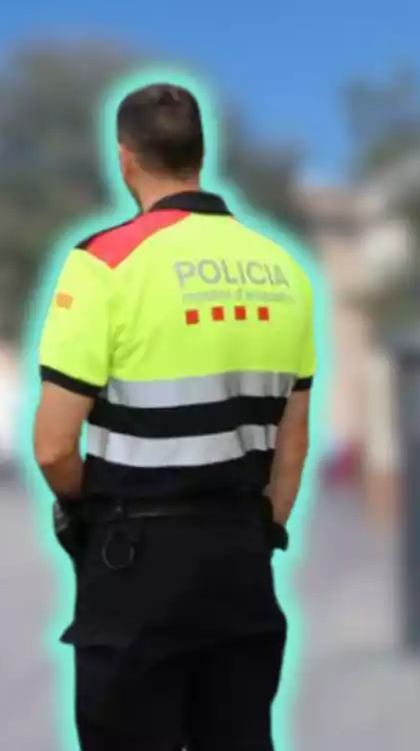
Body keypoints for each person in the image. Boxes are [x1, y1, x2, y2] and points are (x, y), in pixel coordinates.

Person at [33, 83, 314, 750]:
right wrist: (255, 531)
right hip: (242, 566)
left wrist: (87, 513)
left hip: (137, 568)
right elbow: (292, 445)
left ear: (125, 159)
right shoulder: (284, 271)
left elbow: (52, 448)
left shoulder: (102, 264)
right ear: (201, 154)